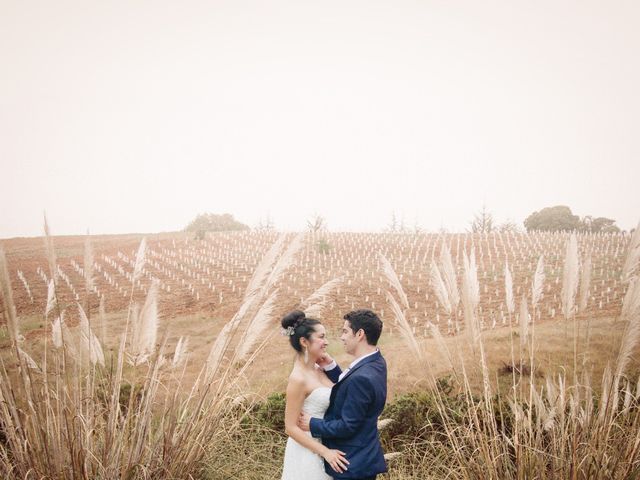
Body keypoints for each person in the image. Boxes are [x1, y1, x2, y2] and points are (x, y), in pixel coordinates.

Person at [299, 309, 388, 480]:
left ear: (360, 334)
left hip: (351, 464)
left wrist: (312, 424)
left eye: (345, 331)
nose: (342, 337)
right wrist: (331, 367)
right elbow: (353, 389)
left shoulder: (362, 377)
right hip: (364, 456)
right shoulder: (377, 361)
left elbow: (348, 425)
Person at [281, 310, 350, 480]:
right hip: (307, 452)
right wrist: (325, 452)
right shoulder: (298, 379)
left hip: (328, 441)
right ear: (304, 341)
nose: (326, 342)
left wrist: (330, 365)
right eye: (321, 337)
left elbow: (342, 394)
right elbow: (290, 427)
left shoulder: (320, 369)